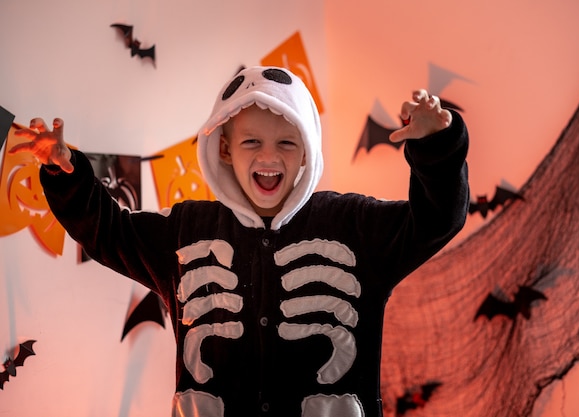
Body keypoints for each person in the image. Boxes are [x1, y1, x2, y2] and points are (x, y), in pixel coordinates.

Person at [10, 66, 469, 417]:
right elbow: (108, 233)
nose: (269, 158)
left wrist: (437, 150)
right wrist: (64, 174)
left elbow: (436, 220)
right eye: (252, 142)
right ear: (225, 149)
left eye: (287, 143)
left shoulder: (354, 226)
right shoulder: (185, 230)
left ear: (309, 148)